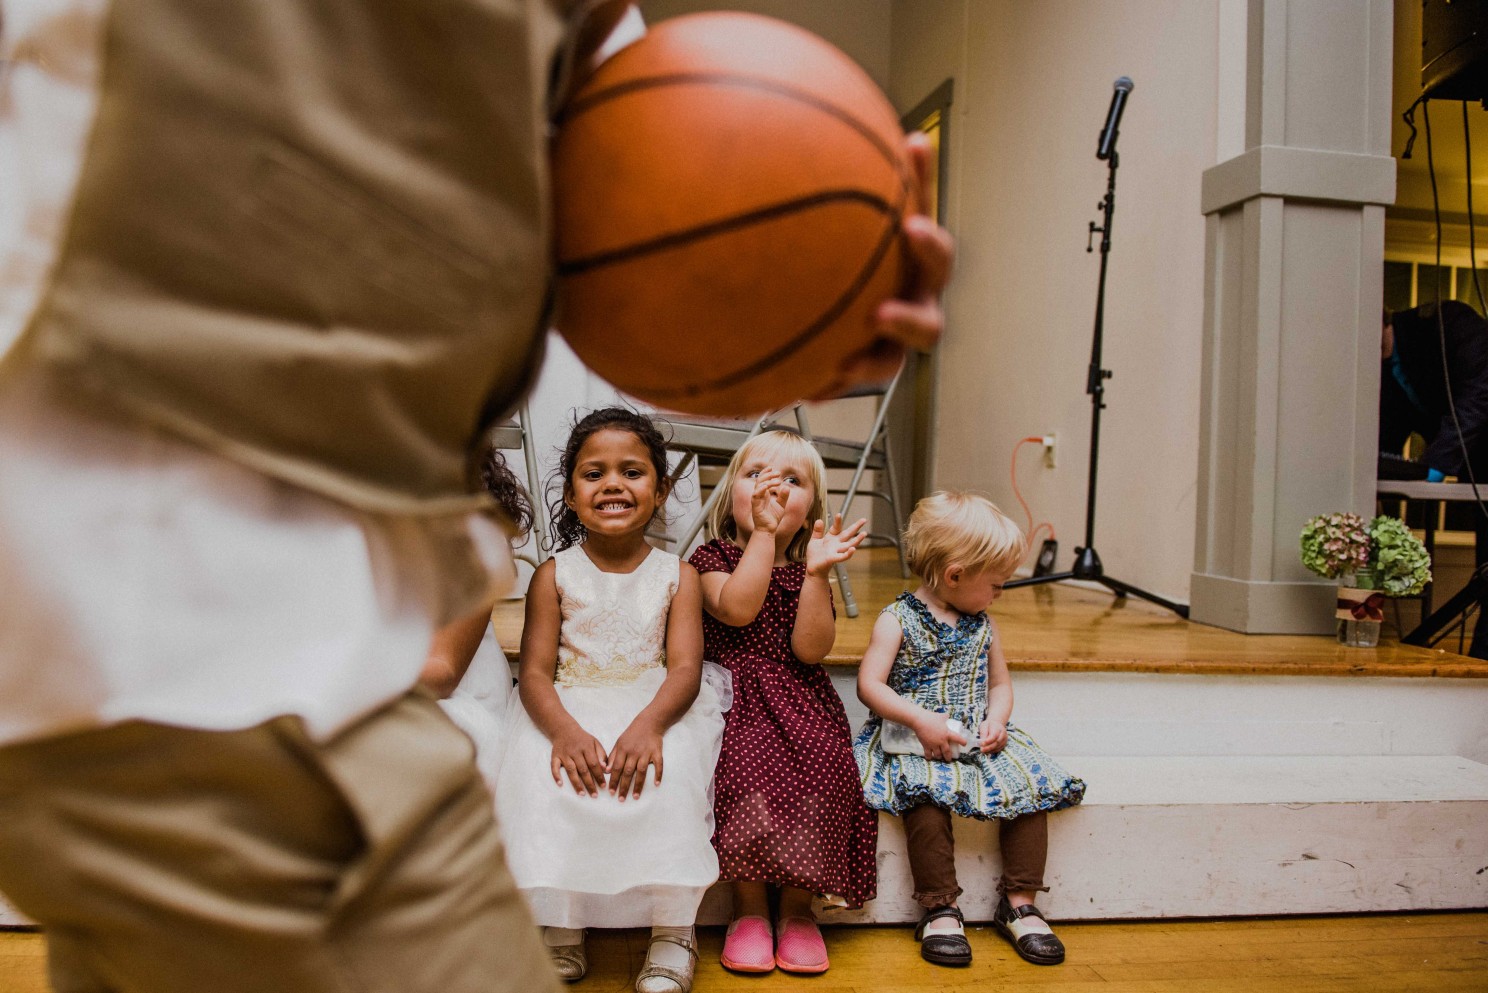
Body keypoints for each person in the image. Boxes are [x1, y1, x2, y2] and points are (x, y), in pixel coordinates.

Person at [0, 2, 952, 990]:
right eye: (594, 473)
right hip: (187, 607)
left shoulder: (578, 32)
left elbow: (620, 219)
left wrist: (787, 290)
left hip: (296, 622)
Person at [495, 407, 728, 993]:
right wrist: (564, 732)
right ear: (571, 495)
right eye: (593, 474)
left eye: (632, 472)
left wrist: (651, 725)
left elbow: (684, 667)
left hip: (655, 702)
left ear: (661, 490)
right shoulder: (552, 575)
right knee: (540, 772)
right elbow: (535, 673)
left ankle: (673, 931)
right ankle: (561, 927)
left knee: (670, 776)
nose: (613, 485)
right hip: (571, 701)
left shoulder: (680, 575)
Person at [854, 492, 1085, 968]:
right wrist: (919, 719)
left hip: (976, 734)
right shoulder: (895, 620)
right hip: (914, 740)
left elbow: (1000, 684)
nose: (1000, 593)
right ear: (955, 575)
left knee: (1028, 788)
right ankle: (940, 907)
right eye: (996, 584)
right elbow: (869, 685)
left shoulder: (984, 625)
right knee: (925, 798)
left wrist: (997, 719)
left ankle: (1020, 901)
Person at [687, 429, 878, 976]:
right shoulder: (712, 557)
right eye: (757, 476)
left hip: (799, 696)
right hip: (732, 694)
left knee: (827, 766)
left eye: (791, 482)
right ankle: (749, 907)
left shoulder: (808, 571)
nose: (773, 490)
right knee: (741, 767)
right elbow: (737, 610)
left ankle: (798, 908)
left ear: (811, 509)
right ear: (730, 496)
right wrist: (764, 539)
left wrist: (817, 574)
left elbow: (811, 649)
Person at [1381, 300, 1488, 657]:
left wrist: (1436, 465)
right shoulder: (1382, 369)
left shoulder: (1449, 325)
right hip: (1473, 466)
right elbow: (1388, 429)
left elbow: (1476, 399)